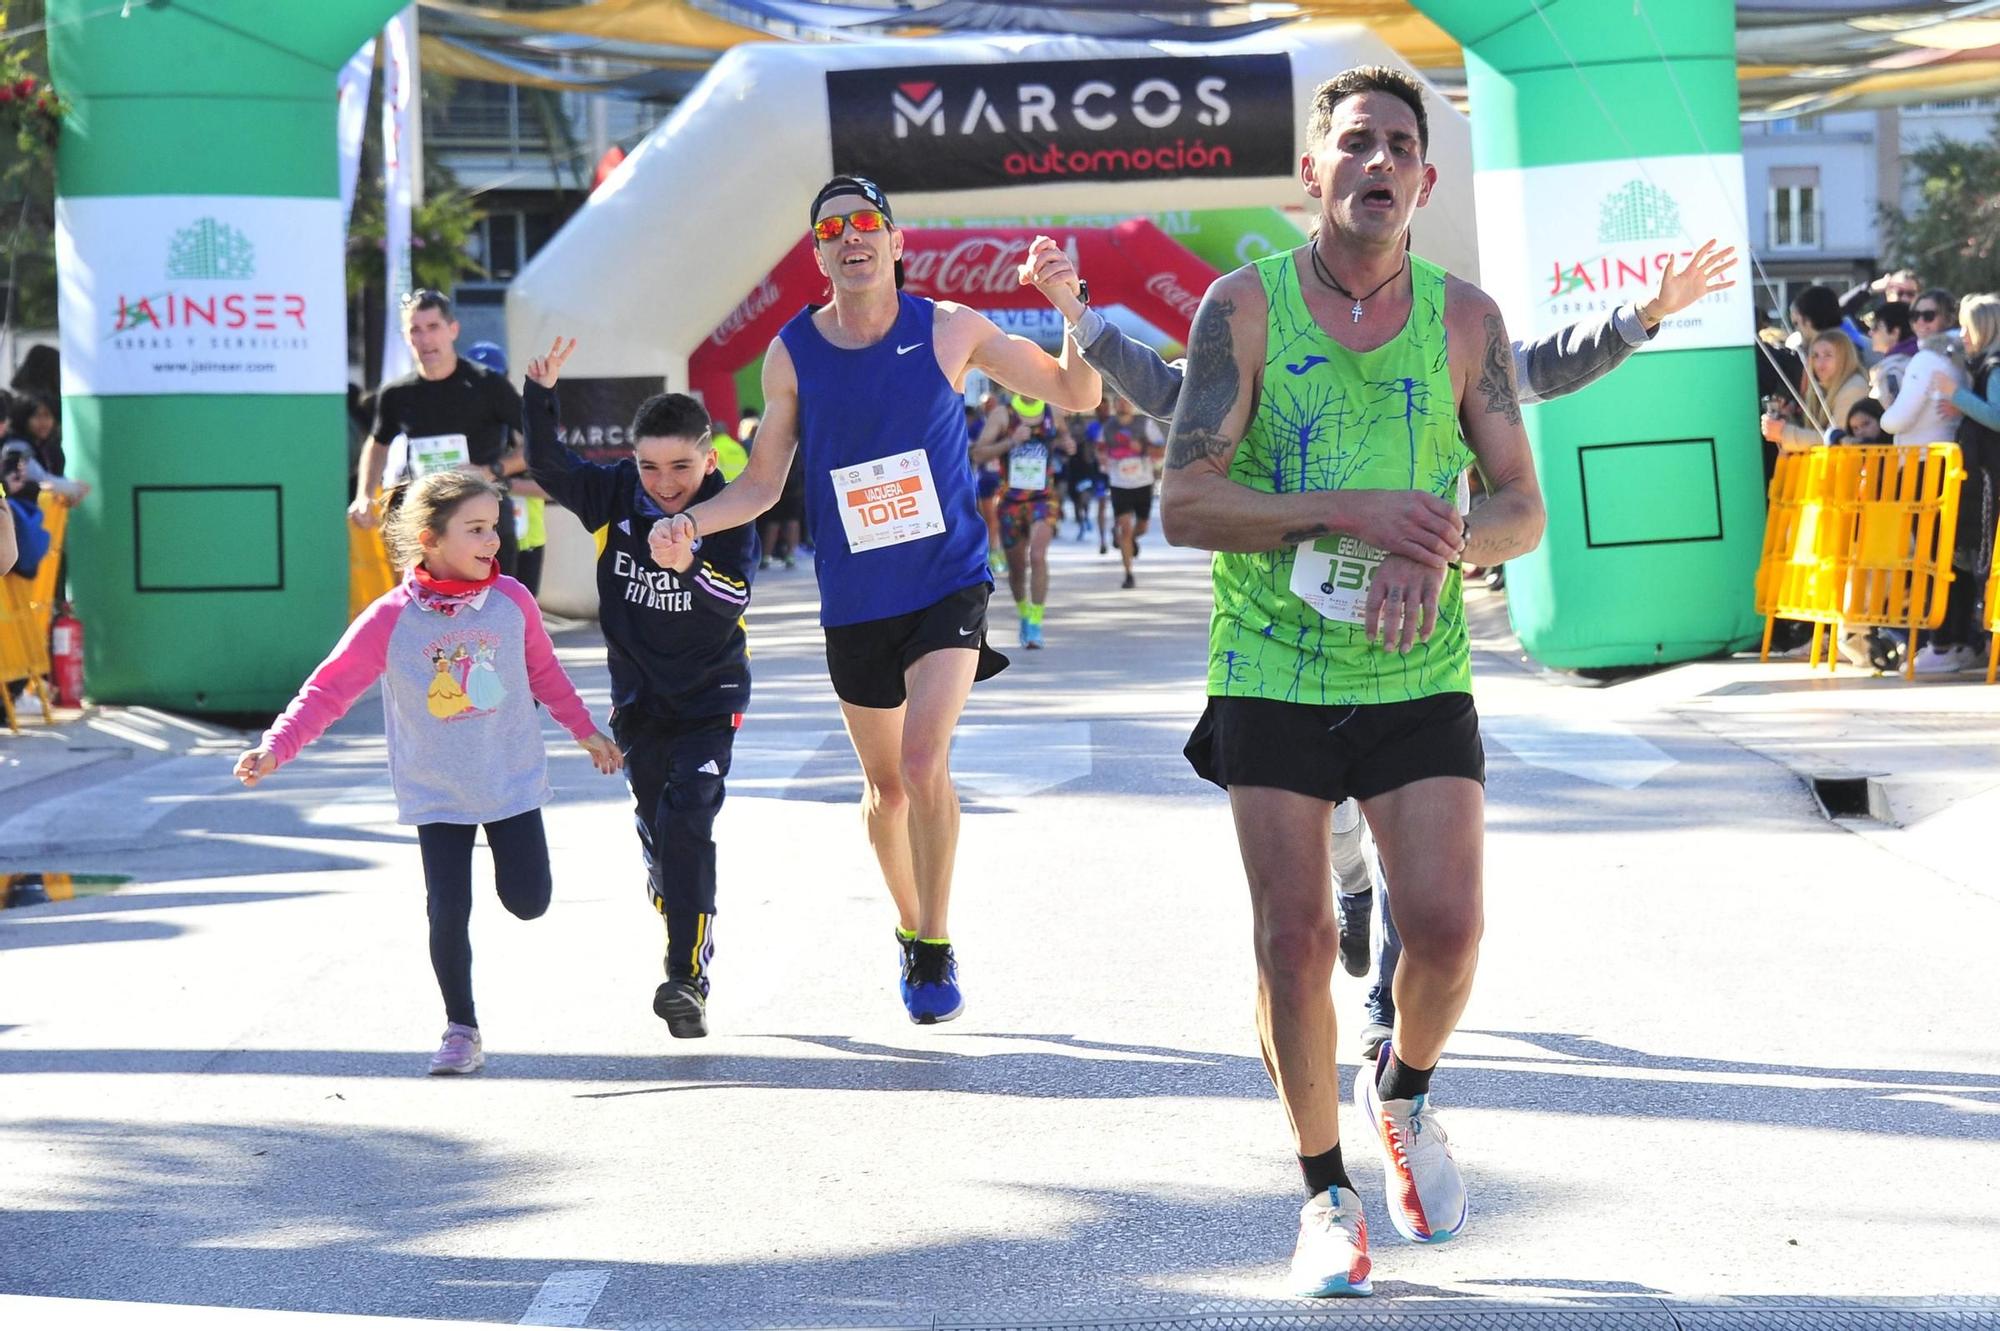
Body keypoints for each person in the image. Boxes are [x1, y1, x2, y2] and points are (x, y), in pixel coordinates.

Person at [1024, 226, 1738, 1059]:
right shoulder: (1262, 342)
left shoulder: (1449, 339)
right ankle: (1352, 886)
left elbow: (1539, 367)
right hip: (1289, 658)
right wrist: (1079, 316)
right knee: (1336, 840)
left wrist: (1641, 315)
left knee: (1426, 872)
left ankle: (1386, 1003)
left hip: (1407, 646)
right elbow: (1167, 390)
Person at [1159, 67, 1546, 1296]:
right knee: (1295, 939)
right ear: (1312, 170)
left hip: (1415, 661)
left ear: (1423, 179)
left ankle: (1405, 1090)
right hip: (1271, 659)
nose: (1377, 162)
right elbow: (1184, 502)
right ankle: (1323, 1195)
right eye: (1355, 142)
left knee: (1446, 927)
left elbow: (1522, 507)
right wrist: (1348, 509)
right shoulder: (1242, 307)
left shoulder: (1465, 320)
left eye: (1398, 147)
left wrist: (1441, 543)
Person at [658, 175, 1100, 1024]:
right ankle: (908, 922)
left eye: (866, 223)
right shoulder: (791, 353)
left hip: (947, 581)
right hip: (856, 599)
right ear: (818, 253)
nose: (850, 236)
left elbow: (1079, 394)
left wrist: (1071, 307)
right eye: (832, 229)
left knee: (926, 764)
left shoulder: (949, 327)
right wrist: (688, 522)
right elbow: (761, 483)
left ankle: (934, 942)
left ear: (896, 243)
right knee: (888, 789)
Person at [236, 470, 622, 1074]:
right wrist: (276, 746)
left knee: (529, 901)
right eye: (476, 529)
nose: (493, 540)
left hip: (509, 779)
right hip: (435, 787)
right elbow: (329, 689)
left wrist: (586, 732)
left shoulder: (513, 601)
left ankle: (489, 960)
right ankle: (461, 1029)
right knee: (447, 907)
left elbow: (544, 674)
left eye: (494, 527)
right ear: (430, 539)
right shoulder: (391, 618)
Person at [522, 336, 760, 1038]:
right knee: (663, 835)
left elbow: (733, 599)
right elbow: (548, 464)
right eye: (651, 467)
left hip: (711, 698)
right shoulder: (615, 495)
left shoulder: (728, 509)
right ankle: (674, 885)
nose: (665, 483)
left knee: (689, 820)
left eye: (681, 466)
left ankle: (686, 978)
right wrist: (540, 395)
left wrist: (688, 565)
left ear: (709, 459)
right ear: (633, 462)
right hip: (639, 703)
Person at [351, 291, 530, 577]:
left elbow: (539, 443)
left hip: (485, 520)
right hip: (428, 523)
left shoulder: (488, 384)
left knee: (491, 602)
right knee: (423, 601)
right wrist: (364, 494)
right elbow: (378, 443)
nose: (425, 339)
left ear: (453, 330)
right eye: (415, 330)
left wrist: (491, 469)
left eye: (433, 327)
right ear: (406, 336)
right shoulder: (397, 394)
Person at [1915, 292, 2000, 674]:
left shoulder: (1994, 367)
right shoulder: (1984, 366)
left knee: (1982, 558)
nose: (1962, 335)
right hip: (1980, 474)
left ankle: (1977, 641)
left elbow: (1997, 415)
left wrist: (1957, 396)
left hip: (1988, 477)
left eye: (1967, 328)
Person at [973, 392, 1071, 647]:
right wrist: (1010, 441)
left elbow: (1066, 437)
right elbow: (978, 454)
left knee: (1037, 556)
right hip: (1011, 502)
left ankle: (1036, 623)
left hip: (1043, 499)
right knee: (1017, 569)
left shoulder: (1052, 411)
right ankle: (1025, 614)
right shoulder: (1003, 414)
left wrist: (1067, 443)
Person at [1764, 331, 1870, 454]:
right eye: (1815, 356)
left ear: (1844, 358)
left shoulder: (1854, 387)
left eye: (1828, 355)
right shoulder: (1821, 388)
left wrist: (1784, 433)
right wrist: (1786, 418)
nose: (1820, 363)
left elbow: (1837, 440)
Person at [1791, 282, 1872, 364]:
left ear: (1807, 321)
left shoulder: (1843, 353)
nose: (1797, 330)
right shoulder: (1861, 344)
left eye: (1796, 323)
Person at [1867, 302, 1917, 405]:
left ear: (1895, 332)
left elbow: (1891, 410)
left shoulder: (1893, 372)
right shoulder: (1922, 357)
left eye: (1876, 327)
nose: (1870, 333)